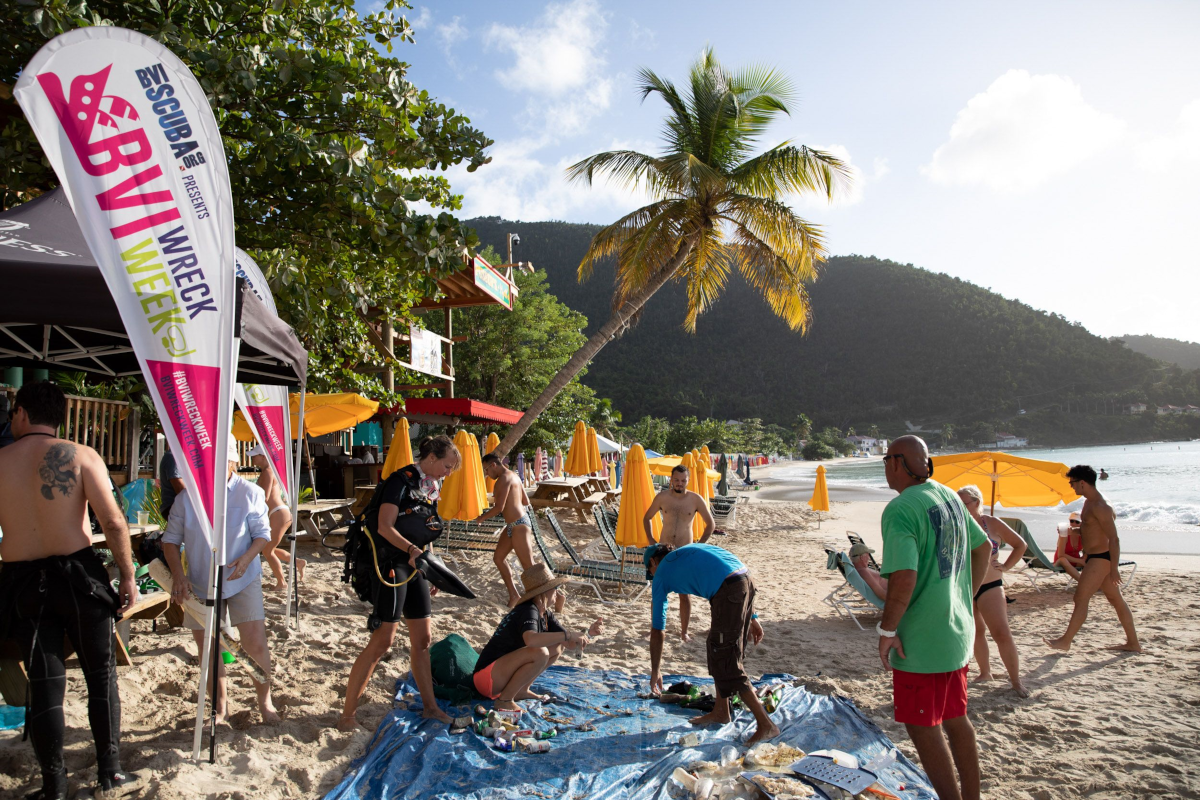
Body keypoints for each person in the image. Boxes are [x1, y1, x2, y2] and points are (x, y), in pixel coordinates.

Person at [0, 381, 142, 799]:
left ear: (23, 413)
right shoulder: (81, 456)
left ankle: (54, 784)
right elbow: (114, 522)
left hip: (23, 580)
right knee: (100, 674)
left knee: (45, 681)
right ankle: (110, 772)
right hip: (78, 576)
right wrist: (128, 575)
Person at [877, 435, 991, 800]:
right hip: (956, 631)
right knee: (956, 719)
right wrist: (963, 595)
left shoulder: (901, 509)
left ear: (896, 463)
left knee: (922, 725)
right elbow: (983, 546)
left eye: (885, 460)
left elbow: (904, 576)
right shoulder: (949, 496)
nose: (885, 467)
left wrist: (887, 629)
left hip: (921, 640)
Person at [339, 435, 461, 731]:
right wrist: (411, 552)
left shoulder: (431, 485)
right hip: (390, 565)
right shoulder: (399, 481)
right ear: (431, 457)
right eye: (447, 466)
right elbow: (384, 527)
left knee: (423, 640)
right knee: (383, 641)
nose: (448, 473)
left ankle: (430, 708)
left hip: (416, 565)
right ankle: (347, 715)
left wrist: (430, 566)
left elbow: (425, 531)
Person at [162, 441, 279, 725]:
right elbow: (170, 541)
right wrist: (179, 575)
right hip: (201, 582)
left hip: (243, 577)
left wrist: (247, 558)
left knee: (255, 644)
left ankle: (266, 704)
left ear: (232, 464)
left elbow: (262, 534)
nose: (208, 470)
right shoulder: (187, 498)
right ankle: (220, 709)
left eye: (217, 464)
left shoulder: (250, 492)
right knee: (210, 649)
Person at [644, 542, 779, 744]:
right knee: (716, 647)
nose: (653, 576)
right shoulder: (684, 555)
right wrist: (752, 615)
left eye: (650, 571)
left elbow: (657, 628)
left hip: (729, 590)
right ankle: (721, 711)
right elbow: (731, 568)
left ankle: (766, 725)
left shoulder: (662, 572)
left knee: (727, 660)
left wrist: (655, 670)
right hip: (744, 580)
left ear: (654, 561)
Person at [472, 564, 603, 710]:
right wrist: (567, 634)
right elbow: (531, 639)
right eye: (556, 588)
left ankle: (521, 690)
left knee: (557, 645)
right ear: (545, 592)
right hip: (486, 677)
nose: (558, 593)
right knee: (540, 651)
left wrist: (588, 634)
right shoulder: (528, 610)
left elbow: (569, 644)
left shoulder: (545, 613)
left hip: (499, 674)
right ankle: (504, 700)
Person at [1044, 465, 1141, 653]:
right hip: (1095, 557)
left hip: (1101, 558)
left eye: (1072, 483)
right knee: (1116, 599)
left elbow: (1114, 539)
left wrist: (1114, 568)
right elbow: (1093, 529)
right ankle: (1133, 643)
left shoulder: (1101, 506)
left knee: (1080, 597)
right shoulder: (1088, 502)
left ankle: (1065, 641)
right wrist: (1074, 530)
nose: (1071, 487)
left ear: (1082, 482)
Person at [955, 485, 1029, 697]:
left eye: (964, 503)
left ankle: (1016, 681)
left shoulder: (992, 523)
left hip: (990, 584)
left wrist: (1005, 566)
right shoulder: (957, 525)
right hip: (966, 586)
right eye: (957, 503)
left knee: (1001, 632)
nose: (961, 507)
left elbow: (1020, 544)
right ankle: (985, 672)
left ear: (977, 502)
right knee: (976, 632)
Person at [642, 464, 715, 641]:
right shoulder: (662, 497)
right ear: (671, 480)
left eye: (683, 480)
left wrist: (699, 545)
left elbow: (710, 524)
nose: (679, 483)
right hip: (663, 553)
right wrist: (652, 541)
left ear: (687, 481)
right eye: (676, 480)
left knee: (684, 593)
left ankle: (684, 632)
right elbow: (647, 518)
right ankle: (656, 627)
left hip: (684, 551)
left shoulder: (695, 499)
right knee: (658, 591)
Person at [475, 453, 537, 607]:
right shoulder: (514, 475)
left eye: (486, 470)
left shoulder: (502, 479)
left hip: (519, 525)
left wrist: (482, 518)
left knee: (529, 567)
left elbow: (499, 508)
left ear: (493, 465)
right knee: (498, 558)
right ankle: (514, 595)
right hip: (515, 524)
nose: (487, 475)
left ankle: (556, 595)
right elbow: (525, 501)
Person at [249, 443, 306, 591]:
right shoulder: (269, 471)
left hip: (278, 513)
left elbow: (265, 496)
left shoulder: (268, 471)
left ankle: (282, 583)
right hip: (278, 512)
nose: (252, 459)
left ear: (263, 456)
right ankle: (298, 562)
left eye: (255, 456)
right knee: (269, 549)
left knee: (267, 551)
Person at [1053, 511, 1086, 580]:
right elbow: (1061, 555)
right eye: (1071, 521)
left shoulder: (1083, 535)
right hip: (1061, 561)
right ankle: (1082, 581)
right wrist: (1080, 561)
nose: (1073, 523)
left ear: (1081, 523)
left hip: (1076, 561)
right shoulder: (1064, 534)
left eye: (1077, 522)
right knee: (1063, 559)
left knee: (1090, 557)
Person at [158, 446, 185, 520]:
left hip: (183, 507)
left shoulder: (181, 456)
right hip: (173, 507)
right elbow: (180, 489)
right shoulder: (173, 457)